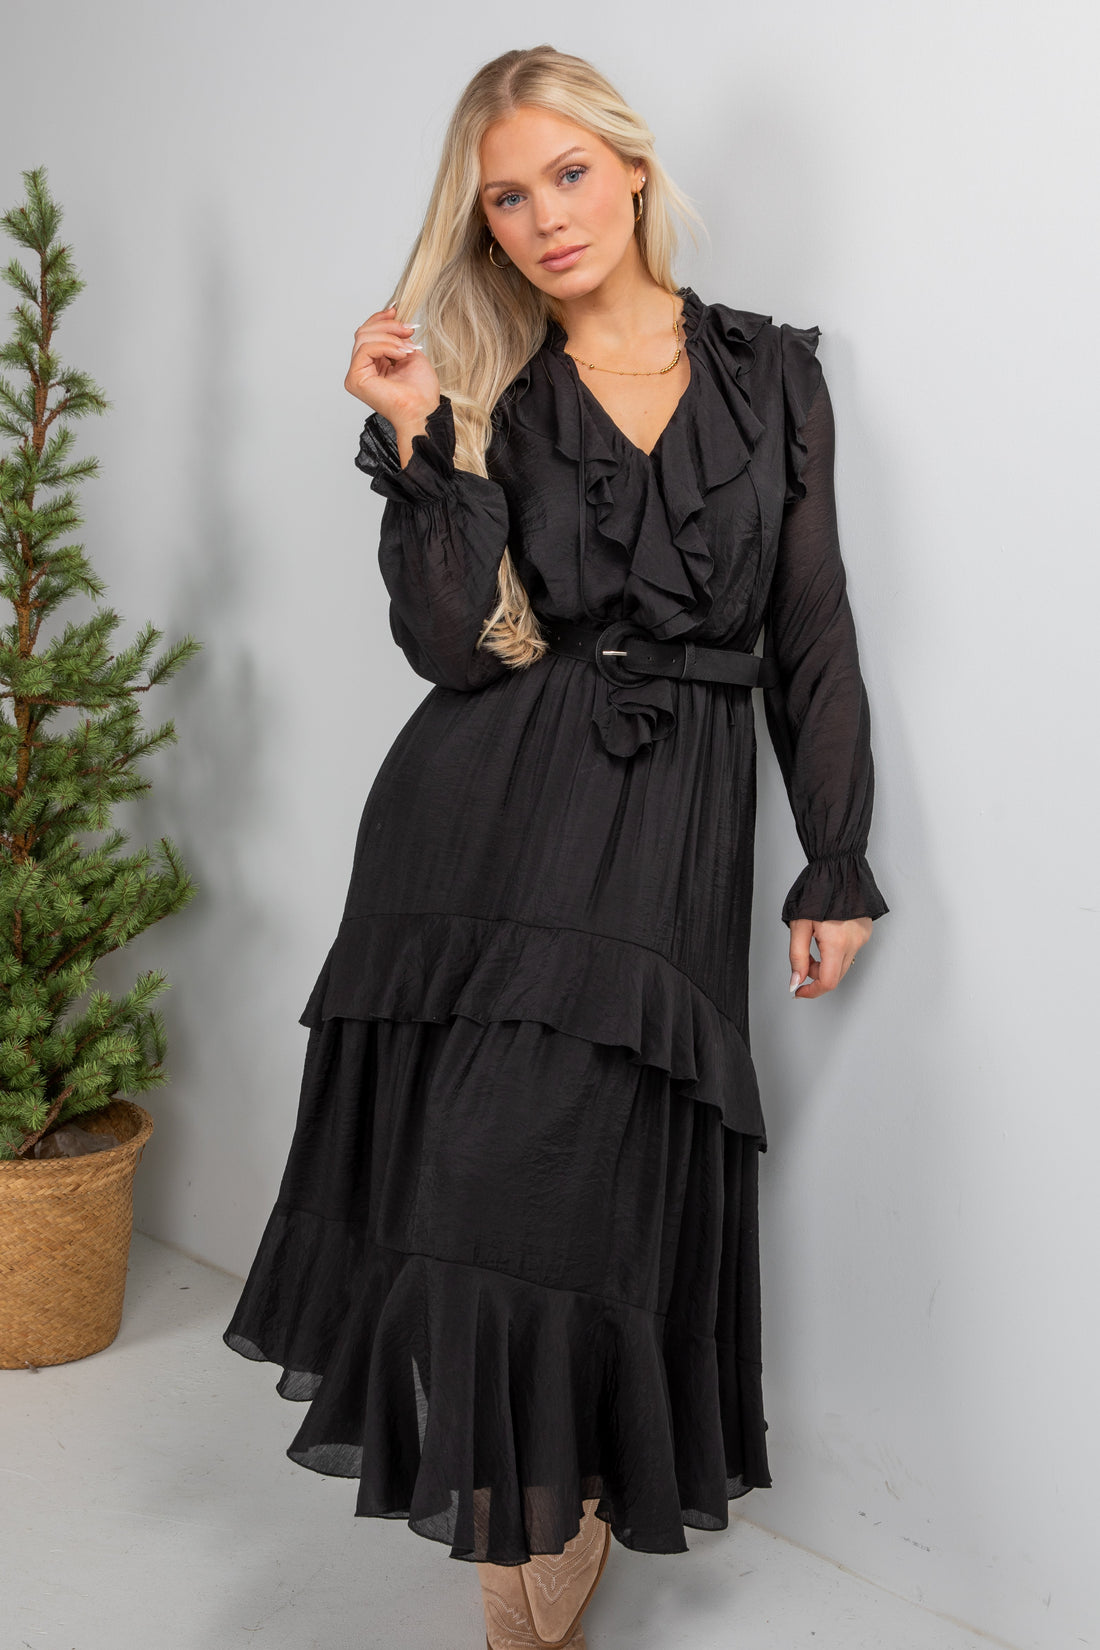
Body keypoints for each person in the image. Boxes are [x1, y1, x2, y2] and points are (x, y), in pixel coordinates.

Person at [223, 42, 889, 1650]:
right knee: (472, 1172)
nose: (543, 220)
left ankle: (569, 1479)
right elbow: (455, 645)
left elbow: (811, 629)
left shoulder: (773, 374)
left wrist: (836, 854)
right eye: (506, 200)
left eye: (568, 175)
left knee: (589, 1181)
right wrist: (420, 434)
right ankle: (524, 1494)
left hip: (670, 822)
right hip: (482, 815)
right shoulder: (489, 388)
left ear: (633, 168)